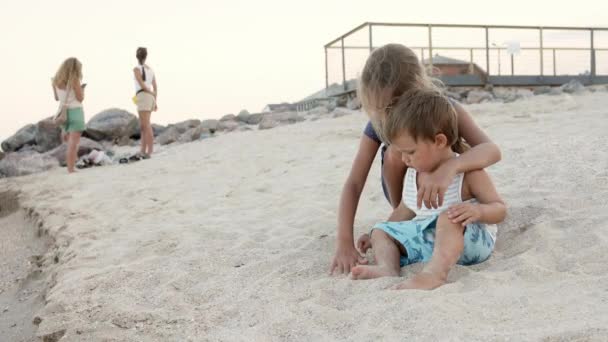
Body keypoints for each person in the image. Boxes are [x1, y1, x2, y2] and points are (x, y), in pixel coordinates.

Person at [330, 44, 502, 275]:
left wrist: (452, 166)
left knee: (447, 216)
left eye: (395, 105)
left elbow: (491, 150)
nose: (390, 116)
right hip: (410, 197)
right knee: (394, 152)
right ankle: (411, 223)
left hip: (452, 188)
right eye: (383, 110)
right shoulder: (379, 124)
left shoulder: (444, 109)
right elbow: (354, 183)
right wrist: (344, 242)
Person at [351, 89, 506, 290]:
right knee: (380, 229)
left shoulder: (468, 173)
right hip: (432, 243)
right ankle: (387, 267)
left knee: (448, 217)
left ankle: (435, 274)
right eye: (401, 153)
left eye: (410, 152)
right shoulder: (413, 173)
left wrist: (478, 211)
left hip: (470, 242)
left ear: (439, 141)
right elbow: (403, 212)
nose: (404, 159)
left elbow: (500, 209)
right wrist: (377, 236)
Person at [52, 57, 86, 173]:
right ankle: (71, 168)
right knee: (74, 143)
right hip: (75, 111)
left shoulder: (55, 81)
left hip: (64, 113)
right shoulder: (74, 80)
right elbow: (80, 98)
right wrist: (82, 90)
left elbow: (56, 98)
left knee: (69, 141)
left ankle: (71, 166)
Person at [133, 47, 158, 158]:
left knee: (146, 125)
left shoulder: (136, 69)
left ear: (137, 56)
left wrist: (150, 93)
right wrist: (155, 100)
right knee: (143, 125)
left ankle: (150, 151)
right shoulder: (151, 70)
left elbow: (141, 84)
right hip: (149, 97)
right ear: (146, 56)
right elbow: (155, 86)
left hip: (143, 95)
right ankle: (143, 150)